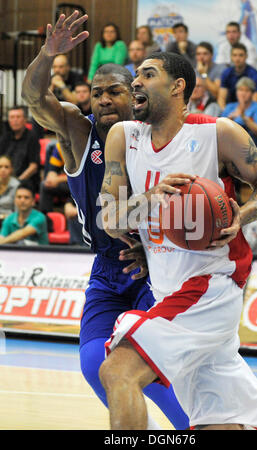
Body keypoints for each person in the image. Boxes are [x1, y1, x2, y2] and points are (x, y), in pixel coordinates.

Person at [99, 51, 257, 430]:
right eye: (136, 75)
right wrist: (151, 200)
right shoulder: (124, 136)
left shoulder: (217, 133)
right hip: (168, 289)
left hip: (210, 286)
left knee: (118, 370)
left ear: (177, 86)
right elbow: (109, 219)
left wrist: (241, 215)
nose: (136, 82)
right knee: (223, 419)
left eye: (148, 75)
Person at [21, 11, 189, 431]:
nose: (103, 100)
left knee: (149, 363)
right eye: (97, 93)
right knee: (96, 362)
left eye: (114, 91)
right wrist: (47, 54)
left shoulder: (156, 131)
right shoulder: (80, 131)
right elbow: (34, 99)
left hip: (158, 262)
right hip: (107, 265)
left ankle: (193, 427)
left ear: (135, 93)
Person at [221, 77, 257, 154]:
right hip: (232, 146)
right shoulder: (230, 107)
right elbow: (220, 130)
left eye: (247, 90)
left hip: (254, 147)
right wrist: (229, 119)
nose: (243, 93)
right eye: (240, 90)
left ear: (252, 93)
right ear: (236, 92)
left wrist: (244, 118)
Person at [0, 106, 40, 193]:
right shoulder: (5, 138)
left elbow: (33, 167)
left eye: (18, 117)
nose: (15, 120)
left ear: (25, 120)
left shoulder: (32, 137)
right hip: (5, 179)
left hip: (24, 181)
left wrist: (16, 181)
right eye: (12, 117)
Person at [218, 43, 257, 110]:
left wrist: (241, 116)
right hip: (230, 108)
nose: (237, 58)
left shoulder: (254, 74)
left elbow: (255, 101)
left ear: (246, 56)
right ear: (231, 57)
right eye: (234, 55)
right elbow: (221, 99)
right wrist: (225, 115)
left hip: (249, 110)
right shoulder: (226, 73)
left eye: (241, 55)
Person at [39, 142, 70, 214]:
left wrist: (58, 180)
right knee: (45, 185)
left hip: (83, 184)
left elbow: (83, 176)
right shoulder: (61, 145)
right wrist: (51, 179)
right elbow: (52, 170)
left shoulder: (84, 145)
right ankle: (45, 219)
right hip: (68, 183)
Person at [0, 155, 20, 224]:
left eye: (6, 167)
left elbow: (17, 212)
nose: (3, 170)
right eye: (0, 167)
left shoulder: (16, 186)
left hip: (8, 221)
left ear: (11, 169)